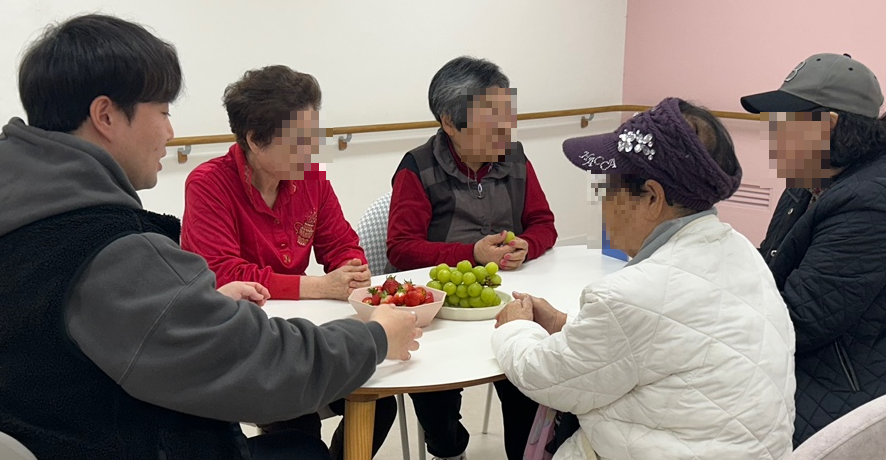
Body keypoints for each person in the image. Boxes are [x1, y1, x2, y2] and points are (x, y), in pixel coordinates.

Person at [0, 14, 421, 460]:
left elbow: (339, 245)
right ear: (106, 115)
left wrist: (212, 300)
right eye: (162, 111)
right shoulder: (111, 246)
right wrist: (372, 335)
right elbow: (260, 362)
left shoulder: (29, 215)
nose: (170, 131)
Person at [492, 97, 797, 459]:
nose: (602, 203)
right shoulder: (742, 251)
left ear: (652, 197)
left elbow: (548, 378)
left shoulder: (630, 295)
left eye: (607, 188)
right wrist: (563, 324)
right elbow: (662, 341)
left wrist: (514, 327)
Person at [180, 64, 396, 459]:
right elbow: (223, 273)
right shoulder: (208, 183)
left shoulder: (311, 175)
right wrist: (319, 285)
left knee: (379, 399)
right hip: (248, 337)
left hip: (303, 327)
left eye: (314, 136)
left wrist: (351, 267)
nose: (312, 150)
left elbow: (342, 242)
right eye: (299, 141)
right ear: (254, 140)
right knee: (295, 418)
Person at [740, 52, 886, 445]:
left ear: (828, 126)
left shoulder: (876, 201)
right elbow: (768, 268)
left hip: (869, 376)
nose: (773, 137)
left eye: (784, 124)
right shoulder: (806, 183)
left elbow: (797, 322)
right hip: (841, 353)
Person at [386, 56, 557, 460]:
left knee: (528, 381)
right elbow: (401, 248)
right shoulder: (418, 167)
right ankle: (449, 446)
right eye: (492, 119)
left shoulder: (514, 158)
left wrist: (528, 245)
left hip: (507, 300)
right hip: (442, 312)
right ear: (450, 122)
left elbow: (544, 223)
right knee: (432, 394)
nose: (506, 129)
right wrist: (472, 254)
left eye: (507, 115)